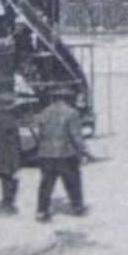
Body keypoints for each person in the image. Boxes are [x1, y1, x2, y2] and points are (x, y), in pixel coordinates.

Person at [32, 88, 90, 222]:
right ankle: (77, 207)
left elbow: (38, 132)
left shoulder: (45, 112)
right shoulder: (71, 113)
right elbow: (76, 136)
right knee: (73, 182)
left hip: (46, 153)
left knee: (46, 184)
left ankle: (41, 211)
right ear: (68, 98)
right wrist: (84, 151)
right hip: (65, 153)